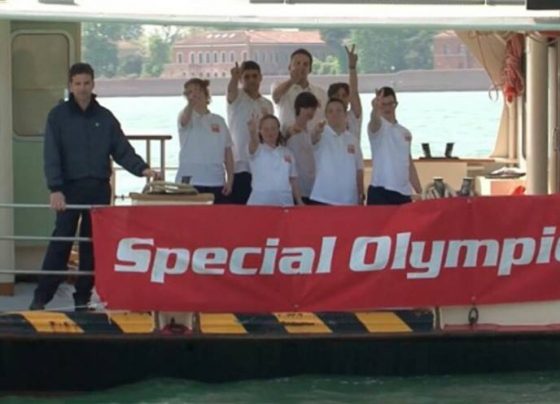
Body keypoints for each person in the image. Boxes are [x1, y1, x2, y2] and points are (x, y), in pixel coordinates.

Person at [30, 62, 159, 311]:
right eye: (77, 83)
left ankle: (83, 297)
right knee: (61, 242)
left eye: (86, 83)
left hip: (98, 188)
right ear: (70, 86)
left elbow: (122, 149)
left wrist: (143, 169)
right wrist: (55, 188)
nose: (82, 88)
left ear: (93, 84)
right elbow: (51, 154)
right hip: (68, 189)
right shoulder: (57, 116)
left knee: (92, 244)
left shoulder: (105, 117)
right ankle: (41, 298)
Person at [175, 78, 234, 204]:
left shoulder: (219, 121)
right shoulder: (184, 116)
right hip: (190, 181)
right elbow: (184, 121)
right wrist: (190, 104)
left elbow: (228, 152)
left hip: (216, 180)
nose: (195, 94)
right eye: (190, 92)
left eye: (198, 90)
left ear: (206, 94)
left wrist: (230, 179)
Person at [226, 60, 274, 204]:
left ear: (260, 77)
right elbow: (231, 90)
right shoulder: (236, 98)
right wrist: (234, 78)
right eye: (246, 77)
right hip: (240, 165)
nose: (251, 80)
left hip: (262, 165)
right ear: (241, 79)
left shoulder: (267, 104)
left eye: (254, 76)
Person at [367, 86, 422, 205]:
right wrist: (375, 108)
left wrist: (420, 191)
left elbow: (409, 164)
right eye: (383, 104)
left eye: (390, 104)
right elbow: (374, 120)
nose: (387, 108)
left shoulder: (405, 133)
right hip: (380, 191)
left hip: (403, 193)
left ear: (396, 104)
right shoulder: (377, 128)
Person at [309, 98, 364, 206]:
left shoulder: (353, 140)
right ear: (326, 115)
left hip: (349, 201)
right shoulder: (321, 135)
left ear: (345, 114)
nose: (335, 114)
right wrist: (316, 131)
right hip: (322, 199)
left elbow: (359, 170)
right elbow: (313, 138)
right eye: (330, 111)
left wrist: (361, 194)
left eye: (339, 110)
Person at [247, 114, 304, 206]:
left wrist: (299, 201)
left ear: (278, 130)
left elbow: (293, 179)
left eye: (273, 128)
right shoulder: (257, 150)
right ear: (260, 131)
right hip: (259, 204)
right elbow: (254, 141)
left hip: (284, 203)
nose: (270, 132)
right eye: (266, 129)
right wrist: (253, 132)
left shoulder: (288, 152)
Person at [271, 48, 328, 135]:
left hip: (315, 140)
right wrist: (292, 81)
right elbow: (275, 95)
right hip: (287, 139)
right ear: (289, 67)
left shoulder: (320, 93)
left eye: (305, 64)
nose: (301, 67)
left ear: (310, 69)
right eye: (297, 63)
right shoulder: (279, 86)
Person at [286, 92, 320, 204]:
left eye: (313, 108)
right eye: (307, 107)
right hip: (296, 186)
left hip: (312, 184)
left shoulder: (309, 131)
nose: (310, 111)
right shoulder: (289, 129)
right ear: (299, 108)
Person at [327, 44, 363, 140]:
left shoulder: (354, 117)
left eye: (344, 95)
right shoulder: (324, 121)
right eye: (337, 96)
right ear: (330, 99)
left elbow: (354, 91)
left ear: (349, 98)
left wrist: (352, 67)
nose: (341, 99)